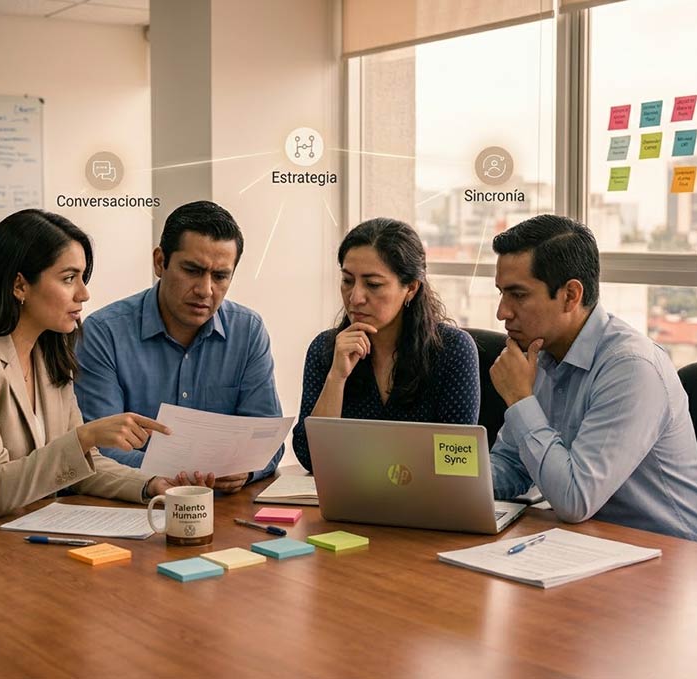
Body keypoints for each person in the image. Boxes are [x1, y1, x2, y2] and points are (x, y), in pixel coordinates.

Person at [0, 209, 210, 521]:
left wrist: (150, 485)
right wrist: (85, 436)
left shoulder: (49, 355)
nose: (84, 294)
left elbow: (85, 464)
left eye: (83, 278)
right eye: (69, 278)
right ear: (20, 285)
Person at [488, 214, 697, 540]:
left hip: (665, 557)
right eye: (501, 293)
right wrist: (445, 484)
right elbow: (511, 464)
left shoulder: (631, 368)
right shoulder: (539, 355)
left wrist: (519, 398)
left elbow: (574, 499)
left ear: (571, 295)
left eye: (518, 295)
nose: (502, 312)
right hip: (588, 544)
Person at [74, 200, 283, 493]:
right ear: (160, 262)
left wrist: (247, 471)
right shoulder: (103, 332)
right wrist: (185, 476)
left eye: (220, 276)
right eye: (192, 270)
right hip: (136, 506)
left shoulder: (248, 330)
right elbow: (98, 449)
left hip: (222, 508)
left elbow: (267, 441)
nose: (205, 290)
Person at [292, 217, 480, 472]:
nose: (355, 297)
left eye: (373, 284)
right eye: (347, 281)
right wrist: (336, 378)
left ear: (411, 288)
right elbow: (309, 457)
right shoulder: (326, 348)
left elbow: (457, 461)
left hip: (426, 503)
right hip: (349, 501)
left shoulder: (453, 349)